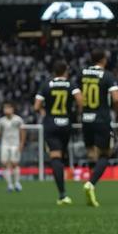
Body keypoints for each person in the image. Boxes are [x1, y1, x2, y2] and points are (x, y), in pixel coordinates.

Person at [76, 49, 118, 207]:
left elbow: (78, 96)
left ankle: (90, 186)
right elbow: (116, 99)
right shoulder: (107, 75)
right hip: (101, 119)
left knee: (91, 153)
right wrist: (117, 112)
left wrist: (82, 111)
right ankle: (91, 184)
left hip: (86, 119)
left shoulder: (82, 74)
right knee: (105, 154)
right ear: (103, 60)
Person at [34, 60, 83, 205]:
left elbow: (36, 106)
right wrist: (76, 114)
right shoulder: (71, 84)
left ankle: (62, 194)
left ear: (54, 72)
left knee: (55, 157)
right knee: (62, 154)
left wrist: (44, 113)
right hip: (66, 124)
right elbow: (80, 101)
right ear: (66, 71)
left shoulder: (46, 84)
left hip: (51, 124)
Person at [0, 103, 26, 193]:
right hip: (5, 144)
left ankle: (17, 183)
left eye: (8, 108)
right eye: (5, 108)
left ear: (12, 109)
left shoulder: (18, 119)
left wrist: (21, 143)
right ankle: (9, 185)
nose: (6, 110)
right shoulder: (1, 121)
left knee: (14, 163)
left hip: (15, 144)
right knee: (4, 164)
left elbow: (23, 132)